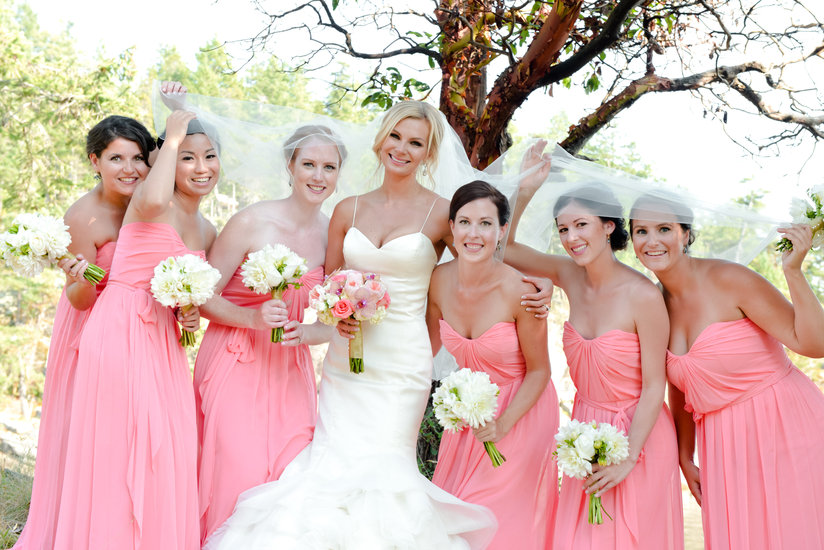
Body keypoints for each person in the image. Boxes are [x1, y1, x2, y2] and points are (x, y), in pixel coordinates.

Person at [204, 100, 559, 549]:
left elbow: (485, 253)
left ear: (429, 153)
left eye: (416, 143)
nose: (403, 149)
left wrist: (537, 280)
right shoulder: (347, 211)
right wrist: (329, 319)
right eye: (396, 137)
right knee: (330, 467)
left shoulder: (440, 212)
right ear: (380, 140)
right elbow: (325, 290)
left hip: (403, 364)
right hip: (345, 364)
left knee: (386, 473)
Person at [52, 109, 217, 549]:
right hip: (101, 319)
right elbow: (80, 300)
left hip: (159, 336)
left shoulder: (173, 210)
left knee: (164, 444)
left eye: (138, 158)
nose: (130, 169)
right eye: (116, 159)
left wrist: (187, 309)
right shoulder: (90, 214)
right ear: (95, 161)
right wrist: (85, 275)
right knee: (113, 445)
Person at [505, 142, 684, 549]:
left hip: (639, 437)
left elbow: (656, 386)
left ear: (608, 226)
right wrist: (526, 189)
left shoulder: (643, 295)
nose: (571, 238)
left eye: (581, 225)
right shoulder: (567, 274)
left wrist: (629, 457)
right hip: (584, 432)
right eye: (563, 229)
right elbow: (506, 250)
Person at [630, 194, 824, 549]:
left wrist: (793, 272)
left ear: (686, 234)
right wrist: (685, 457)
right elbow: (681, 386)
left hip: (786, 426)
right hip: (723, 447)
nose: (652, 240)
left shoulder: (730, 278)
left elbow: (813, 344)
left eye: (664, 229)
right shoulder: (653, 305)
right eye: (641, 231)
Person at [194, 125, 346, 541]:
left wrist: (309, 332)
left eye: (329, 167)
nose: (318, 176)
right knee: (237, 470)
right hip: (235, 357)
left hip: (290, 371)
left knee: (286, 476)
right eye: (309, 164)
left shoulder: (332, 234)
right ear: (290, 166)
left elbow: (334, 322)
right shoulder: (250, 221)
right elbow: (202, 296)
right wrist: (253, 318)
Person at [426, 180, 559, 549]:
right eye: (465, 222)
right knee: (455, 515)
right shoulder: (438, 281)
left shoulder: (522, 291)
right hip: (469, 413)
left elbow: (539, 371)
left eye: (486, 224)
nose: (474, 233)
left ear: (502, 231)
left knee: (494, 522)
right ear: (451, 227)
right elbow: (424, 350)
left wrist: (502, 424)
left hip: (520, 411)